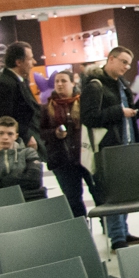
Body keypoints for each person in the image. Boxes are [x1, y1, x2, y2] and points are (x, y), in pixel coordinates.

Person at [82, 46, 139, 248]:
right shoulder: (95, 86)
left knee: (125, 191)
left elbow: (132, 114)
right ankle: (117, 238)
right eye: (123, 62)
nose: (126, 67)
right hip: (108, 148)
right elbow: (89, 117)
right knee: (112, 194)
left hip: (126, 144)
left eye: (128, 63)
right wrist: (118, 111)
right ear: (110, 59)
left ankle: (124, 232)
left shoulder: (121, 84)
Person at [39, 70, 92, 218]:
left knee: (99, 194)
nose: (60, 84)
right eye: (57, 82)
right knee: (73, 200)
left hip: (86, 156)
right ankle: (82, 231)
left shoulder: (84, 103)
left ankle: (111, 229)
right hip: (62, 160)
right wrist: (54, 134)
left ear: (72, 83)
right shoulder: (46, 108)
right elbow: (40, 132)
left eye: (63, 81)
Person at [0, 42, 42, 154]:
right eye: (30, 59)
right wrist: (26, 136)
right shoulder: (5, 84)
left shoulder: (20, 81)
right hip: (19, 146)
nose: (34, 62)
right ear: (19, 62)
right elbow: (4, 119)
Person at [0, 117, 44, 200]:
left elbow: (35, 180)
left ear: (16, 136)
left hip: (30, 200)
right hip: (0, 202)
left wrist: (3, 181)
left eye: (10, 134)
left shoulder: (28, 153)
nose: (5, 137)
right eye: (1, 133)